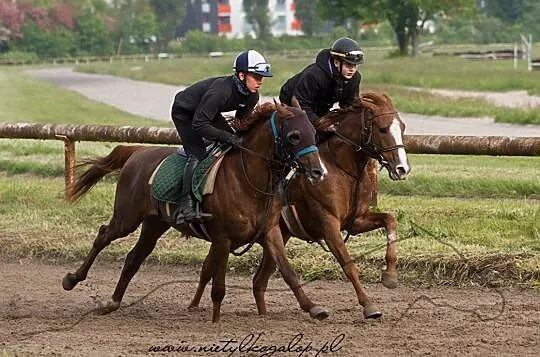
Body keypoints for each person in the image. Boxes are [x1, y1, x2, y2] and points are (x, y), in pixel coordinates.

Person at [171, 49, 273, 224]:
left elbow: (242, 123)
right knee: (198, 152)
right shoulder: (221, 92)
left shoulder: (252, 96)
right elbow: (199, 124)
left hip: (208, 112)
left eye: (261, 78)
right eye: (256, 77)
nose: (260, 82)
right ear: (241, 75)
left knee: (233, 142)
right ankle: (185, 205)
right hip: (185, 112)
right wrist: (226, 136)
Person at [279, 37, 364, 131]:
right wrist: (320, 123)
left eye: (355, 65)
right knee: (306, 134)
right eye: (348, 65)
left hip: (321, 105)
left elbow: (349, 105)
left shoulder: (355, 78)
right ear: (336, 62)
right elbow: (301, 104)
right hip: (293, 102)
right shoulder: (314, 75)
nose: (352, 69)